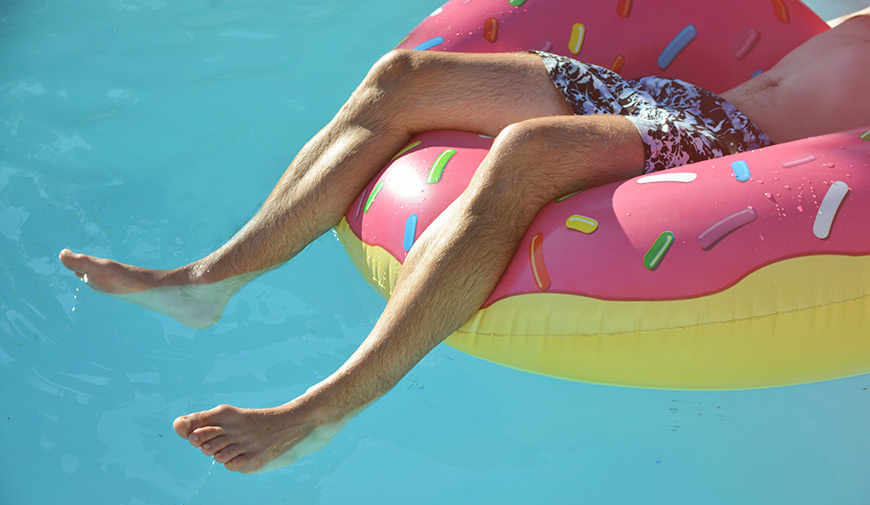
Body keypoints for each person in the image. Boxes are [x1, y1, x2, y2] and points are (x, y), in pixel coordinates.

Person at [59, 12, 870, 473]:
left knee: (526, 153)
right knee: (402, 76)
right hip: (673, 97)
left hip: (727, 147)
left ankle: (321, 410)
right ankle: (209, 280)